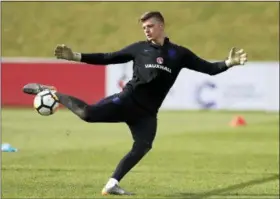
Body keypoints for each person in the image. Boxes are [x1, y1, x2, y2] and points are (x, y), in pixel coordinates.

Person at [22, 11, 247, 195]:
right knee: (88, 115)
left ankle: (112, 184)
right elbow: (109, 57)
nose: (146, 31)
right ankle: (53, 93)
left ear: (161, 25)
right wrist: (76, 56)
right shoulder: (139, 48)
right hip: (127, 100)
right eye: (144, 28)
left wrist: (229, 62)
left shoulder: (179, 54)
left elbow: (208, 68)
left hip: (147, 113)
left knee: (143, 146)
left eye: (149, 26)